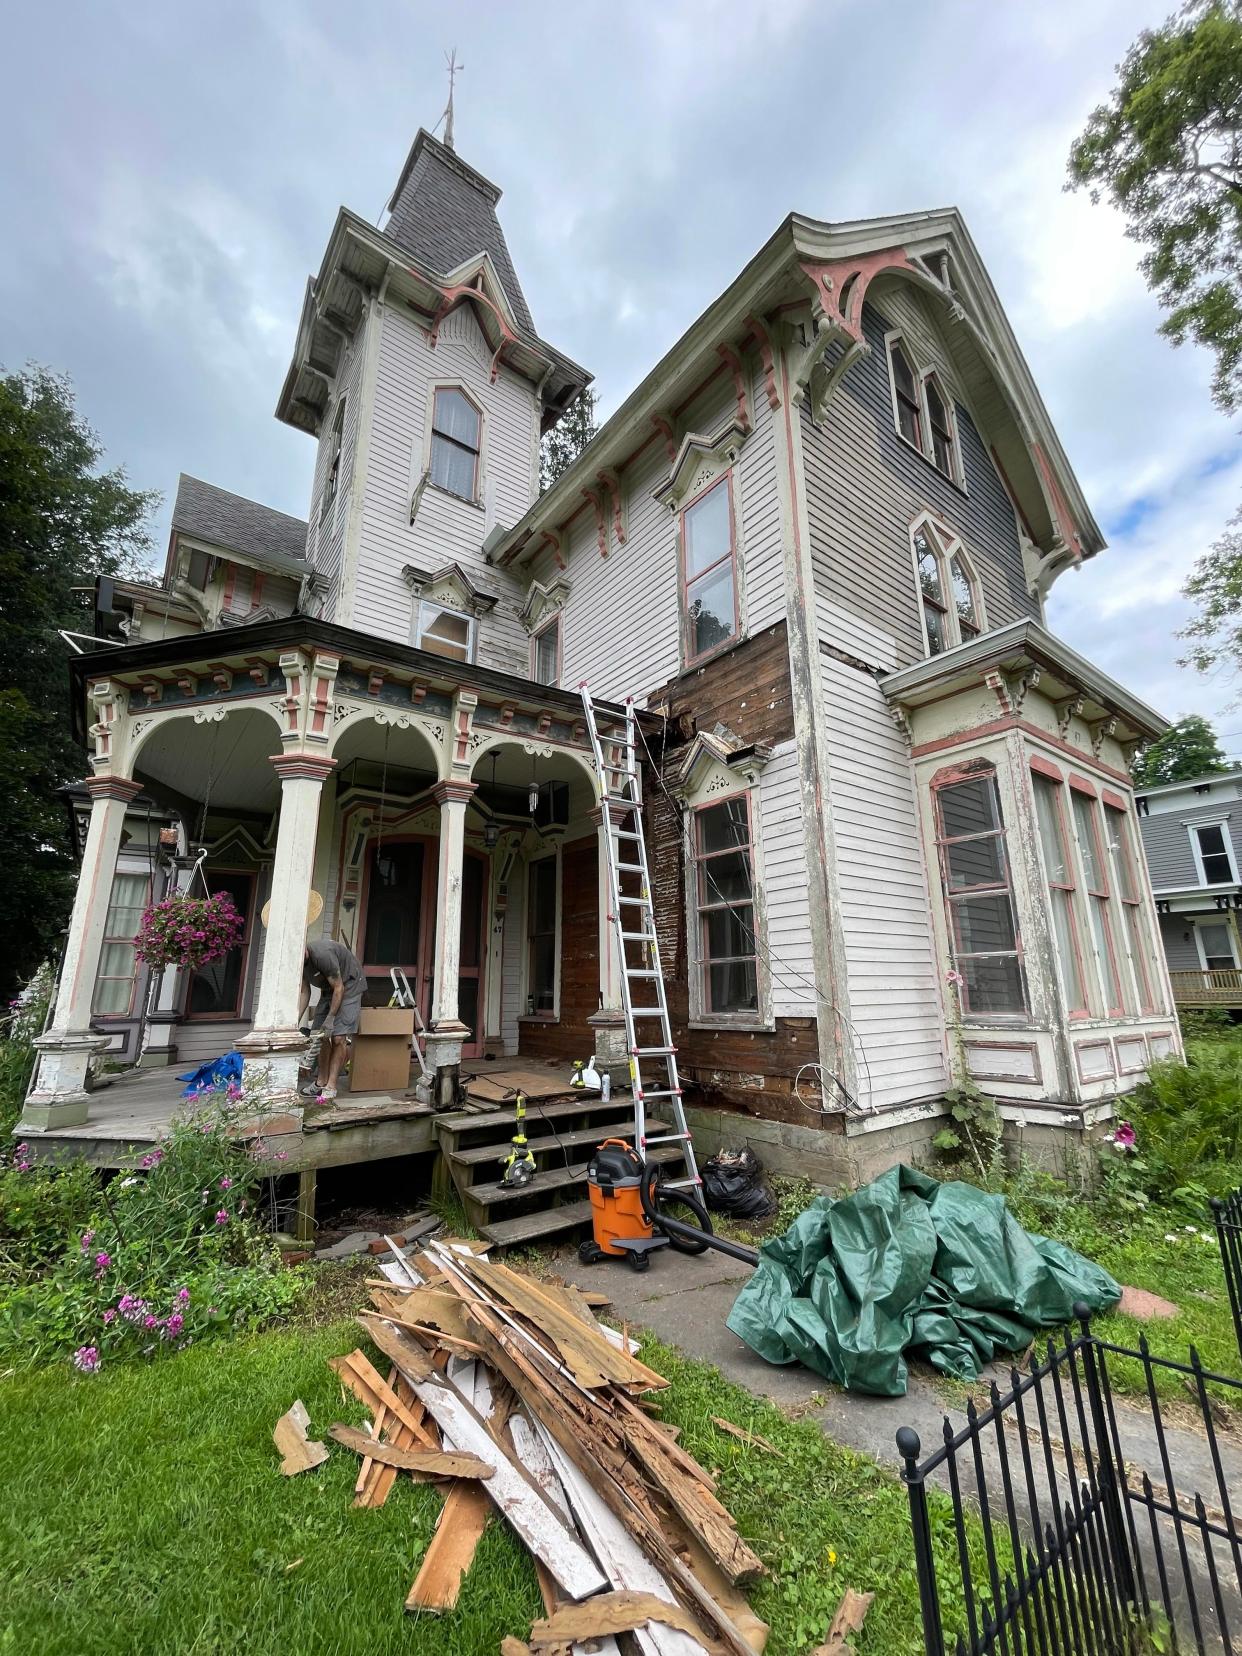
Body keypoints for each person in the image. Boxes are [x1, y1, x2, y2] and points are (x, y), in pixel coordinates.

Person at [299, 938, 366, 1101]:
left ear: (304, 948)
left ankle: (331, 1085)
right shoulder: (297, 962)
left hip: (349, 987)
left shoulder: (323, 955)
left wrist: (330, 1019)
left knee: (337, 1038)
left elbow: (339, 987)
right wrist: (295, 1021)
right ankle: (321, 1082)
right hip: (329, 990)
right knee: (319, 1036)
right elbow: (304, 992)